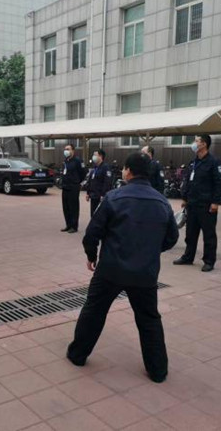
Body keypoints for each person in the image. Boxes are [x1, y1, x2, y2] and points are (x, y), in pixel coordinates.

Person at [67, 152, 179, 383]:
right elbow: (171, 238)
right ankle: (158, 370)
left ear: (128, 171)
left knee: (94, 312)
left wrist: (91, 255)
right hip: (145, 273)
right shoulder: (162, 202)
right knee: (149, 319)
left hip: (111, 269)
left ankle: (78, 355)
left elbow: (92, 233)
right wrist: (149, 251)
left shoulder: (114, 198)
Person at [173, 135, 221, 272]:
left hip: (207, 205)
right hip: (192, 204)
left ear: (204, 144)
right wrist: (184, 198)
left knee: (209, 235)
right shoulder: (193, 162)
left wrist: (216, 202)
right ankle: (188, 257)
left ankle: (209, 261)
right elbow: (188, 181)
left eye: (196, 141)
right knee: (190, 233)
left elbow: (219, 183)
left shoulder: (214, 162)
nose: (194, 143)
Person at [61, 144, 87, 233]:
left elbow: (83, 172)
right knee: (66, 207)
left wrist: (78, 182)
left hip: (73, 187)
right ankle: (68, 225)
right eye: (65, 149)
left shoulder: (78, 161)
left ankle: (74, 226)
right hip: (65, 186)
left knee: (73, 207)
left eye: (68, 149)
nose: (66, 151)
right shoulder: (66, 161)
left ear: (73, 150)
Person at [84, 149, 113, 216]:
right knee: (93, 215)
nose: (93, 156)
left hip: (100, 196)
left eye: (95, 155)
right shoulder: (94, 168)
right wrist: (88, 193)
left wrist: (103, 195)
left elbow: (107, 182)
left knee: (100, 215)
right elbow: (90, 181)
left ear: (100, 156)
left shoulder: (106, 167)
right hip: (93, 196)